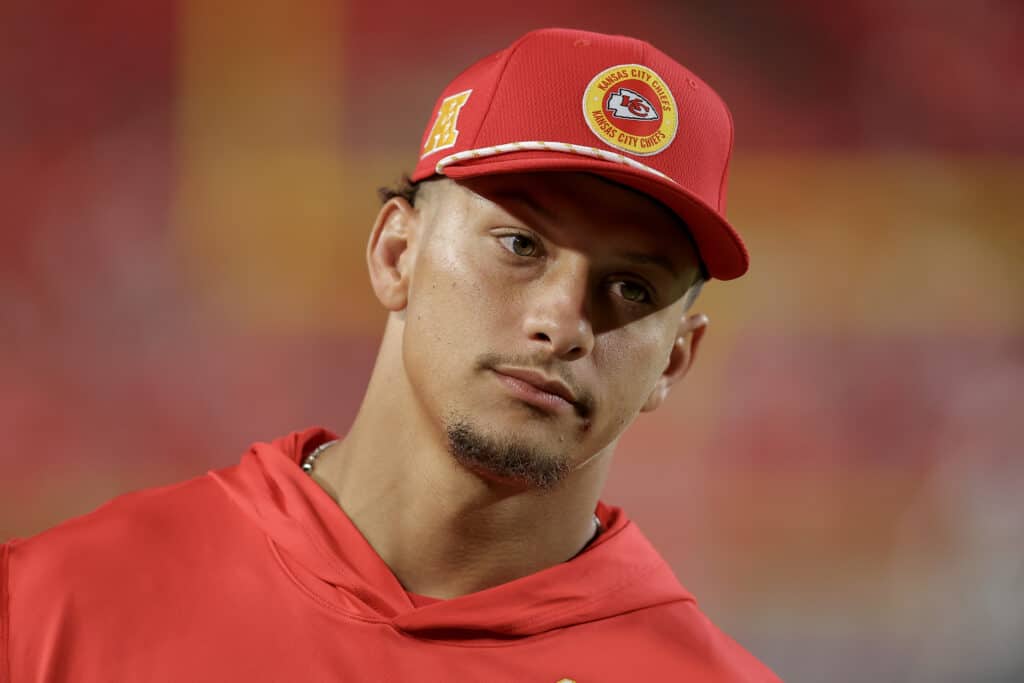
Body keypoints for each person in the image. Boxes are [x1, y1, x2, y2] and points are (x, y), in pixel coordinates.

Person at [1, 28, 781, 681]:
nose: (563, 320)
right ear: (397, 252)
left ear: (676, 360)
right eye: (519, 243)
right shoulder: (55, 604)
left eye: (633, 288)